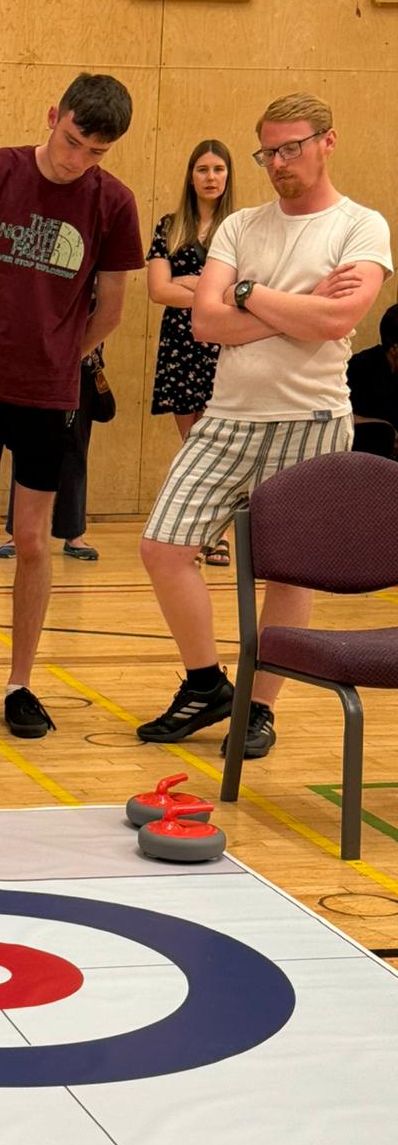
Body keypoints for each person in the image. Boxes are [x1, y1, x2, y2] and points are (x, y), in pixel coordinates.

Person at [138, 93, 392, 759]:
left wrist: (249, 294)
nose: (279, 163)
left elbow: (338, 323)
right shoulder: (240, 226)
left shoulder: (362, 226)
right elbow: (204, 322)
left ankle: (257, 709)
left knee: (289, 574)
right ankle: (206, 684)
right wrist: (297, 305)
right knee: (164, 548)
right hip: (227, 417)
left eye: (292, 148)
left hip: (311, 418)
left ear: (327, 142)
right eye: (268, 152)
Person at [0, 73, 144, 738]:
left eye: (95, 152)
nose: (76, 159)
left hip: (49, 395)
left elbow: (111, 308)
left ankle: (21, 682)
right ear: (53, 115)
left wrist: (61, 355)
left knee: (30, 539)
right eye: (73, 140)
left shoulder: (113, 204)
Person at [147, 139, 236, 565]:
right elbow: (158, 290)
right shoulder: (169, 225)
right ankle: (196, 535)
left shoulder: (241, 227)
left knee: (220, 443)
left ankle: (216, 536)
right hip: (181, 344)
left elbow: (238, 294)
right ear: (191, 175)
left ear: (228, 175)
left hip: (225, 343)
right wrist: (207, 288)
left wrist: (188, 282)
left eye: (218, 169)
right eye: (203, 169)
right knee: (193, 444)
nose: (211, 177)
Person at [0, 342, 114, 562]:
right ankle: (16, 533)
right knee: (25, 449)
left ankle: (74, 533)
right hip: (33, 368)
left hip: (79, 368)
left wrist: (74, 353)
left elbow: (105, 317)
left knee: (76, 450)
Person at [347, 302, 398, 456]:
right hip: (367, 455)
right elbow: (340, 416)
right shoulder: (359, 367)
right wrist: (385, 427)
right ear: (395, 348)